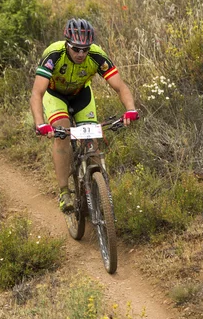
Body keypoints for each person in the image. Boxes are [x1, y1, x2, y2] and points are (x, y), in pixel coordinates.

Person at [30, 18, 139, 213]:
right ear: (67, 44)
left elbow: (120, 86)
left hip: (81, 95)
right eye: (76, 49)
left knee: (92, 140)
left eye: (85, 49)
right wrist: (40, 124)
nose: (81, 54)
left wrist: (130, 110)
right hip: (55, 95)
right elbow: (37, 93)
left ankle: (98, 193)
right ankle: (64, 193)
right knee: (62, 135)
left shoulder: (96, 55)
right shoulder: (54, 54)